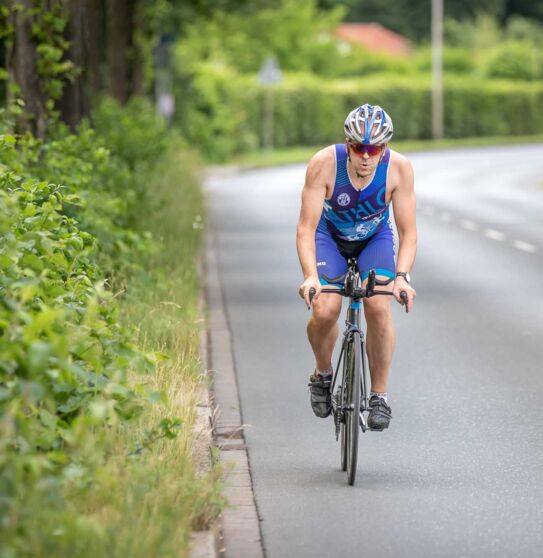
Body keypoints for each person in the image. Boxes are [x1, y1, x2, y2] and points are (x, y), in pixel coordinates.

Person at [296, 104, 417, 430]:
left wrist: (403, 277)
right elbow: (306, 228)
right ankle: (322, 374)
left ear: (384, 149)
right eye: (358, 147)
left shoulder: (398, 170)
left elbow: (408, 233)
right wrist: (310, 276)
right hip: (330, 238)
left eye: (373, 148)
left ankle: (379, 396)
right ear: (347, 145)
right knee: (325, 309)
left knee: (378, 305)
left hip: (373, 241)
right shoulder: (323, 164)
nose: (366, 156)